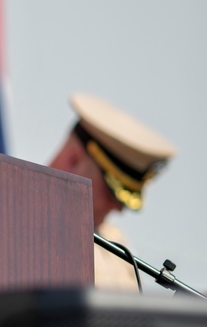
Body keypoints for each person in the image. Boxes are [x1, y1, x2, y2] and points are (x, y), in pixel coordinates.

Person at [47, 93, 176, 291]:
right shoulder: (8, 219)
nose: (118, 208)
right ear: (74, 159)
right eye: (111, 190)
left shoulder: (116, 248)